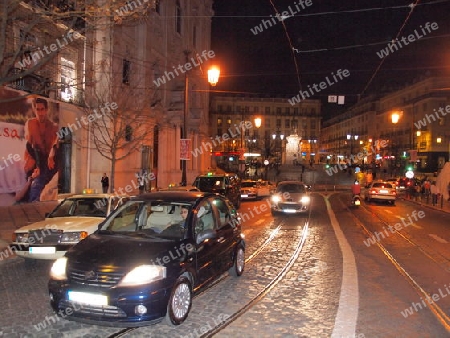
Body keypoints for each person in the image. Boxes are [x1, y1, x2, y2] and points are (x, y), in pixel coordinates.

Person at [24, 97, 59, 202]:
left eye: (42, 109)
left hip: (48, 162)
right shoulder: (31, 124)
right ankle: (33, 200)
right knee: (38, 181)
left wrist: (51, 156)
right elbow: (31, 147)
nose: (40, 112)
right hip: (35, 160)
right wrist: (38, 166)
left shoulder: (53, 127)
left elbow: (55, 145)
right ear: (34, 110)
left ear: (47, 109)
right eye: (37, 109)